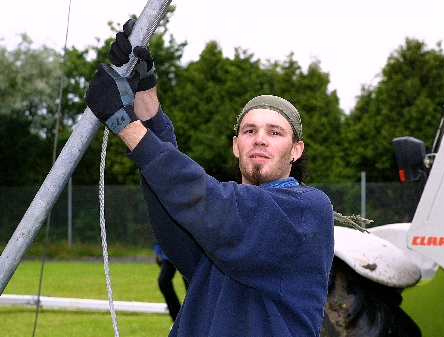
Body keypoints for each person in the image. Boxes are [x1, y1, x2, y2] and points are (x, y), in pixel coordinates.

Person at [85, 19, 334, 337]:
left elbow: (215, 206)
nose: (259, 139)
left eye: (275, 132)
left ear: (296, 150)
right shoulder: (217, 234)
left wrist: (125, 123)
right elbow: (173, 205)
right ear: (236, 146)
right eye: (249, 130)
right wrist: (144, 94)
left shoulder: (306, 210)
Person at [154, 241, 189, 321]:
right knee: (163, 282)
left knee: (191, 286)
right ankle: (177, 319)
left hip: (188, 253)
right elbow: (162, 230)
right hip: (169, 253)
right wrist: (158, 251)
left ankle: (194, 320)